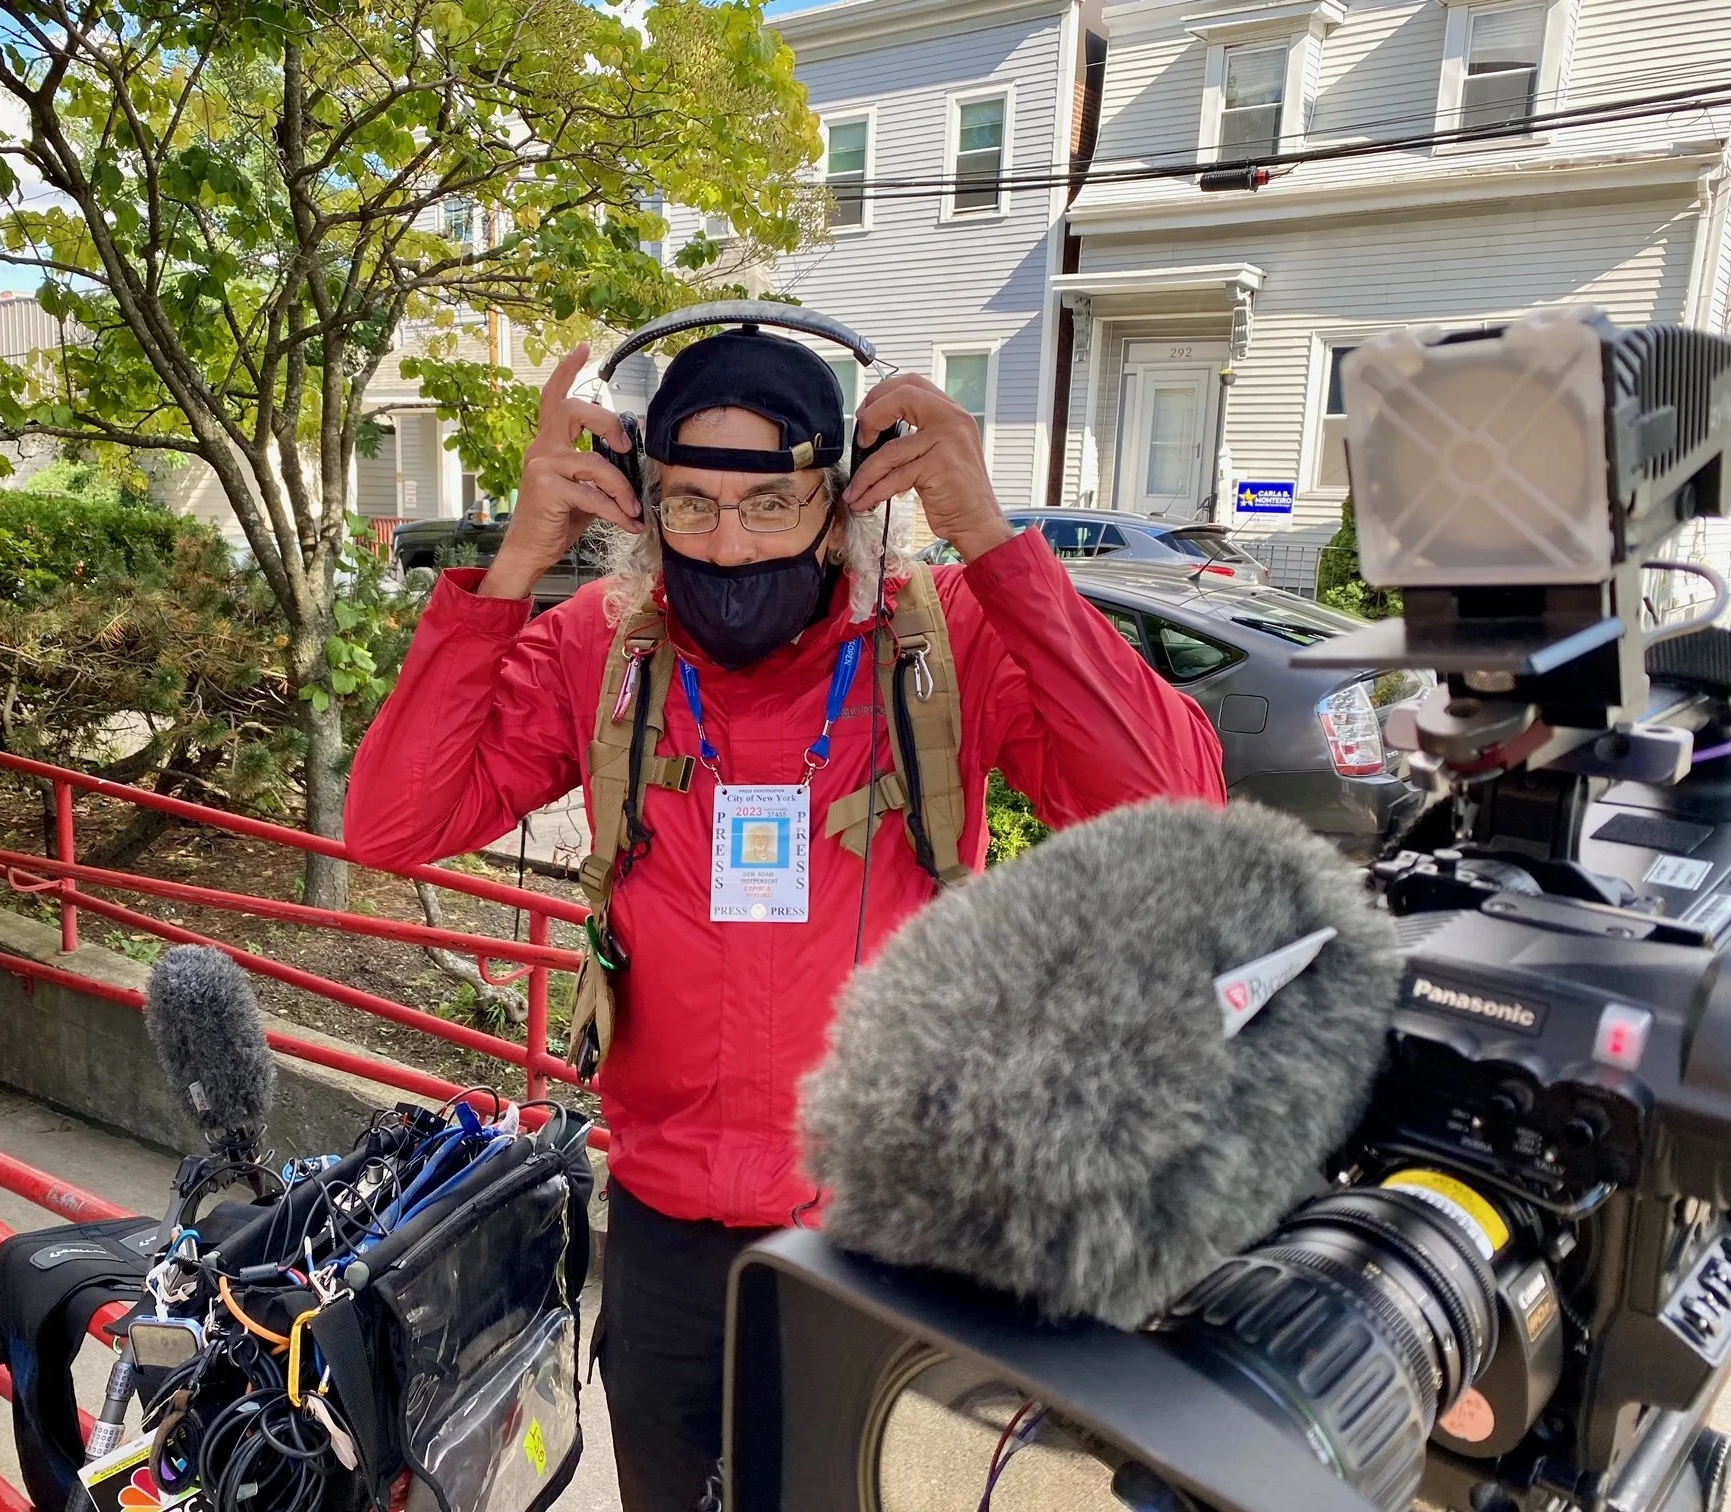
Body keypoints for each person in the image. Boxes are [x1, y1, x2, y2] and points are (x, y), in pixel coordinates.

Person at [344, 328, 1226, 1510]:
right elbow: (391, 824)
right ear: (644, 502)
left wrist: (998, 546)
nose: (728, 542)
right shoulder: (606, 645)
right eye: (691, 505)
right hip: (665, 1235)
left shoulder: (944, 634)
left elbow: (1181, 809)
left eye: (773, 503)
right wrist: (517, 563)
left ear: (846, 496)